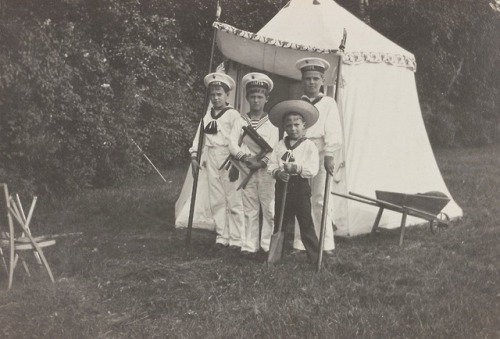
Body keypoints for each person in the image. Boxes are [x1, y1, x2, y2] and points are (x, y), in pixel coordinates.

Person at [293, 57, 342, 256]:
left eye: (315, 78)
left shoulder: (329, 103)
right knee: (300, 198)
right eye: (307, 79)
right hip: (301, 151)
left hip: (321, 152)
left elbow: (332, 130)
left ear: (322, 80)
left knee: (320, 198)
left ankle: (325, 243)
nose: (311, 82)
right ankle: (300, 242)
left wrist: (329, 154)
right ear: (302, 81)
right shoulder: (298, 103)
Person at [189, 72, 244, 249]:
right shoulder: (207, 116)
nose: (215, 98)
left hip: (228, 158)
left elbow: (241, 139)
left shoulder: (233, 115)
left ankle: (237, 238)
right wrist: (194, 156)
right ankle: (222, 235)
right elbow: (199, 138)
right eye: (212, 94)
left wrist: (236, 161)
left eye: (219, 94)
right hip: (211, 157)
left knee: (233, 198)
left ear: (227, 95)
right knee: (217, 198)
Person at [229, 72, 279, 257]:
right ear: (247, 98)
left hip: (265, 171)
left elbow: (275, 147)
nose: (256, 100)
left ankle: (266, 245)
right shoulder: (240, 121)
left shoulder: (273, 123)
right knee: (249, 207)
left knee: (269, 208)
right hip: (246, 167)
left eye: (260, 96)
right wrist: (244, 157)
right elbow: (232, 143)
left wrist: (262, 163)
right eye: (253, 96)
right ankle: (250, 244)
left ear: (266, 98)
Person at [267, 100, 321, 264]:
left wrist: (296, 168)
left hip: (300, 189)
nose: (293, 128)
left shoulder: (309, 146)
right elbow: (271, 164)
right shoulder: (280, 145)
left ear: (304, 125)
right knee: (280, 223)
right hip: (282, 187)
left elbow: (312, 169)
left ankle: (315, 259)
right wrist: (278, 173)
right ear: (284, 127)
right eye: (289, 125)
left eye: (297, 124)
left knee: (306, 224)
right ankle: (275, 257)